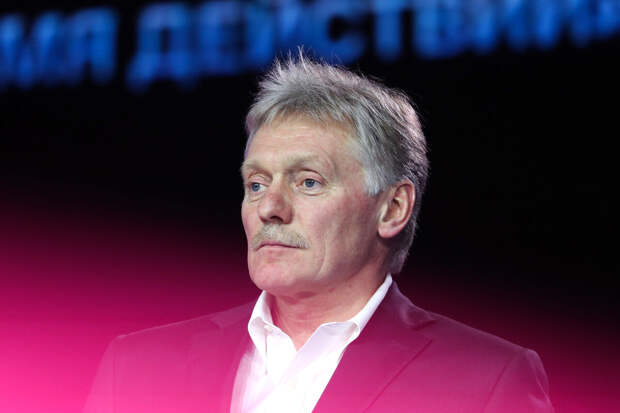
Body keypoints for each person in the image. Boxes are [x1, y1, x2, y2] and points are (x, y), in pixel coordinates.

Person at [83, 53, 554, 413]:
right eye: (256, 184)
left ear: (392, 208)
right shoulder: (137, 367)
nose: (270, 207)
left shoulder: (485, 382)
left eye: (308, 182)